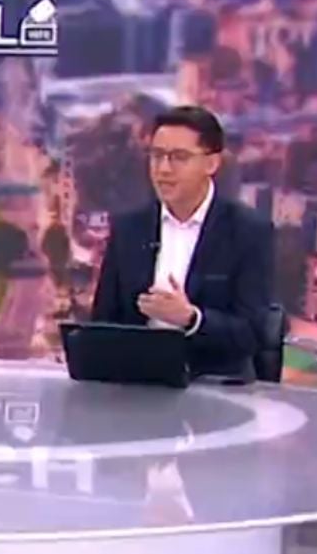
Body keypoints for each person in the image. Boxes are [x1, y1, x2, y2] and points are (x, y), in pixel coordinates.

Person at [89, 104, 275, 380]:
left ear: (211, 163)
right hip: (136, 385)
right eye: (157, 156)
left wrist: (192, 319)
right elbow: (103, 324)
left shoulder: (248, 232)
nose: (163, 169)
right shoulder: (129, 229)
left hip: (211, 387)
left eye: (179, 157)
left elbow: (252, 333)